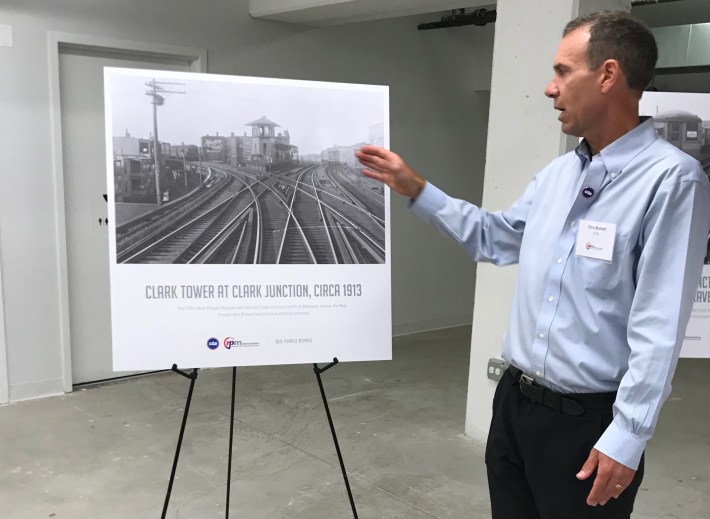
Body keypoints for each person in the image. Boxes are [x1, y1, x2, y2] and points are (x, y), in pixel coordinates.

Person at [356, 10, 710, 519]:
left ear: (608, 75)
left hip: (587, 425)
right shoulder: (558, 174)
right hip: (515, 406)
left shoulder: (672, 182)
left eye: (563, 71)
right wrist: (418, 190)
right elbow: (496, 240)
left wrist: (628, 435)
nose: (550, 88)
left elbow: (660, 322)